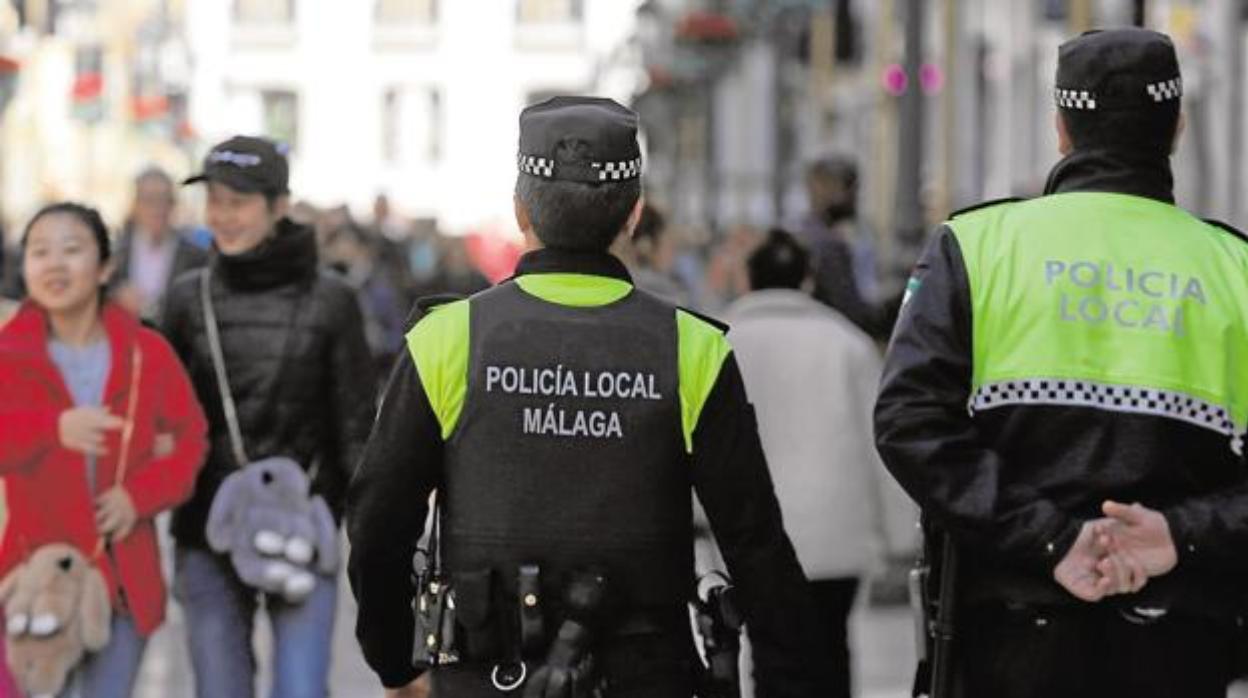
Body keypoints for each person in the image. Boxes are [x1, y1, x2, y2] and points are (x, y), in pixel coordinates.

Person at [348, 96, 824, 698]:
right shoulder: (691, 349)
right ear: (633, 215)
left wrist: (396, 662)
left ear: (521, 210)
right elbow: (755, 542)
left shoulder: (446, 339)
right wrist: (793, 678)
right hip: (648, 676)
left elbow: (378, 524)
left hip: (485, 674)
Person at [875, 28, 1248, 698]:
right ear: (1177, 128)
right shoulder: (1235, 269)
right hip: (1183, 638)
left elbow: (909, 422)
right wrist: (1177, 535)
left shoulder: (977, 247)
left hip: (1007, 635)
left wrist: (1052, 539)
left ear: (1061, 130)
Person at [161, 136, 375, 698]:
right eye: (215, 201)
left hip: (305, 523)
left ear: (279, 207)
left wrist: (371, 536)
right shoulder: (187, 297)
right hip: (207, 528)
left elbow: (356, 426)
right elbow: (165, 417)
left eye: (239, 202)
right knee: (219, 688)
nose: (222, 216)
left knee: (301, 690)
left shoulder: (333, 300)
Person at [0, 202, 208, 698]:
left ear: (106, 267)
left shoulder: (146, 353)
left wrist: (139, 497)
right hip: (32, 577)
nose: (54, 264)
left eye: (72, 250)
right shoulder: (8, 353)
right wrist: (52, 429)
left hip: (121, 577)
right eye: (39, 252)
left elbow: (190, 439)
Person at [725, 229, 913, 698]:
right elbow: (880, 440)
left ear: (749, 279)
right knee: (831, 648)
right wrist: (899, 535)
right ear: (807, 280)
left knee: (771, 652)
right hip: (835, 534)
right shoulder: (846, 343)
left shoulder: (721, 337)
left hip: (754, 534)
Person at [109, 167, 209, 323]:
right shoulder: (113, 252)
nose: (157, 208)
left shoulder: (196, 256)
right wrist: (117, 294)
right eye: (149, 199)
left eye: (164, 199)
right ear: (135, 204)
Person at [794, 156, 880, 337]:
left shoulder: (805, 233)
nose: (855, 197)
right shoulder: (826, 245)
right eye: (851, 188)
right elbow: (853, 311)